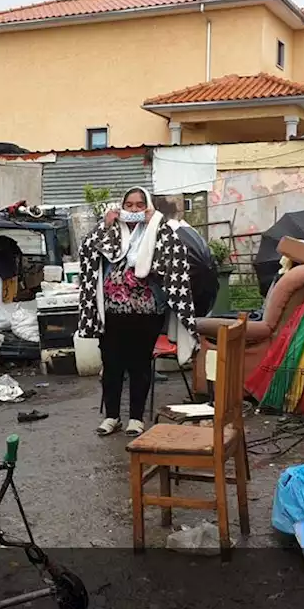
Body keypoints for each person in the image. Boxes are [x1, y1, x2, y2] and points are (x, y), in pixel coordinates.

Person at [76, 186, 199, 437]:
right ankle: (111, 417)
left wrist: (157, 221)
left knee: (139, 365)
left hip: (146, 313)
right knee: (111, 365)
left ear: (147, 207)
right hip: (111, 313)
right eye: (129, 205)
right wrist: (105, 224)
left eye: (139, 205)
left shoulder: (160, 231)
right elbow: (87, 251)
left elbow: (175, 255)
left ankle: (135, 417)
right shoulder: (112, 233)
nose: (133, 210)